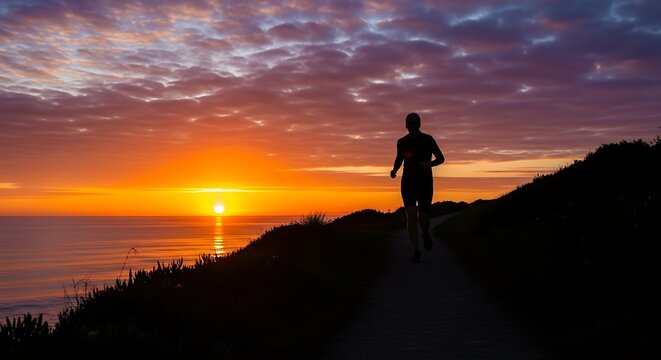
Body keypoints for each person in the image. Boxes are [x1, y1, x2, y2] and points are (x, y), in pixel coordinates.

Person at [390, 113, 445, 263]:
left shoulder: (428, 139)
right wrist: (394, 170)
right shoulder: (401, 142)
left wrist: (429, 164)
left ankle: (425, 231)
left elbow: (441, 158)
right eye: (410, 123)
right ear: (406, 125)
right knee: (411, 216)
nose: (412, 125)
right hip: (407, 183)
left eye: (415, 122)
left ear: (419, 124)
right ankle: (416, 249)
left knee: (423, 218)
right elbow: (399, 158)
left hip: (425, 183)